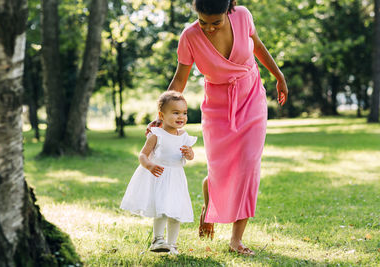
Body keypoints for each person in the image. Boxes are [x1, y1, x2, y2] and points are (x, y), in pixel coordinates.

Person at [148, 0, 289, 256]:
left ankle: (236, 239)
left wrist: (279, 76)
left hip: (251, 97)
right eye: (203, 22)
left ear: (228, 10)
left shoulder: (244, 16)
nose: (209, 28)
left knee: (248, 166)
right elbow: (180, 78)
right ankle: (210, 205)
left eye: (216, 22)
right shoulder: (189, 36)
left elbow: (257, 46)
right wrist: (162, 116)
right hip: (217, 106)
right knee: (220, 169)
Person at [121, 91, 198, 255]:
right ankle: (158, 239)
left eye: (184, 113)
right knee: (162, 208)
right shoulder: (156, 135)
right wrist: (149, 165)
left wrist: (189, 154)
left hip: (176, 178)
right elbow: (142, 154)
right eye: (175, 112)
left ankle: (172, 244)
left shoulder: (184, 136)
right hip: (161, 176)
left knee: (176, 211)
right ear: (161, 115)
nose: (181, 117)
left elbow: (190, 156)